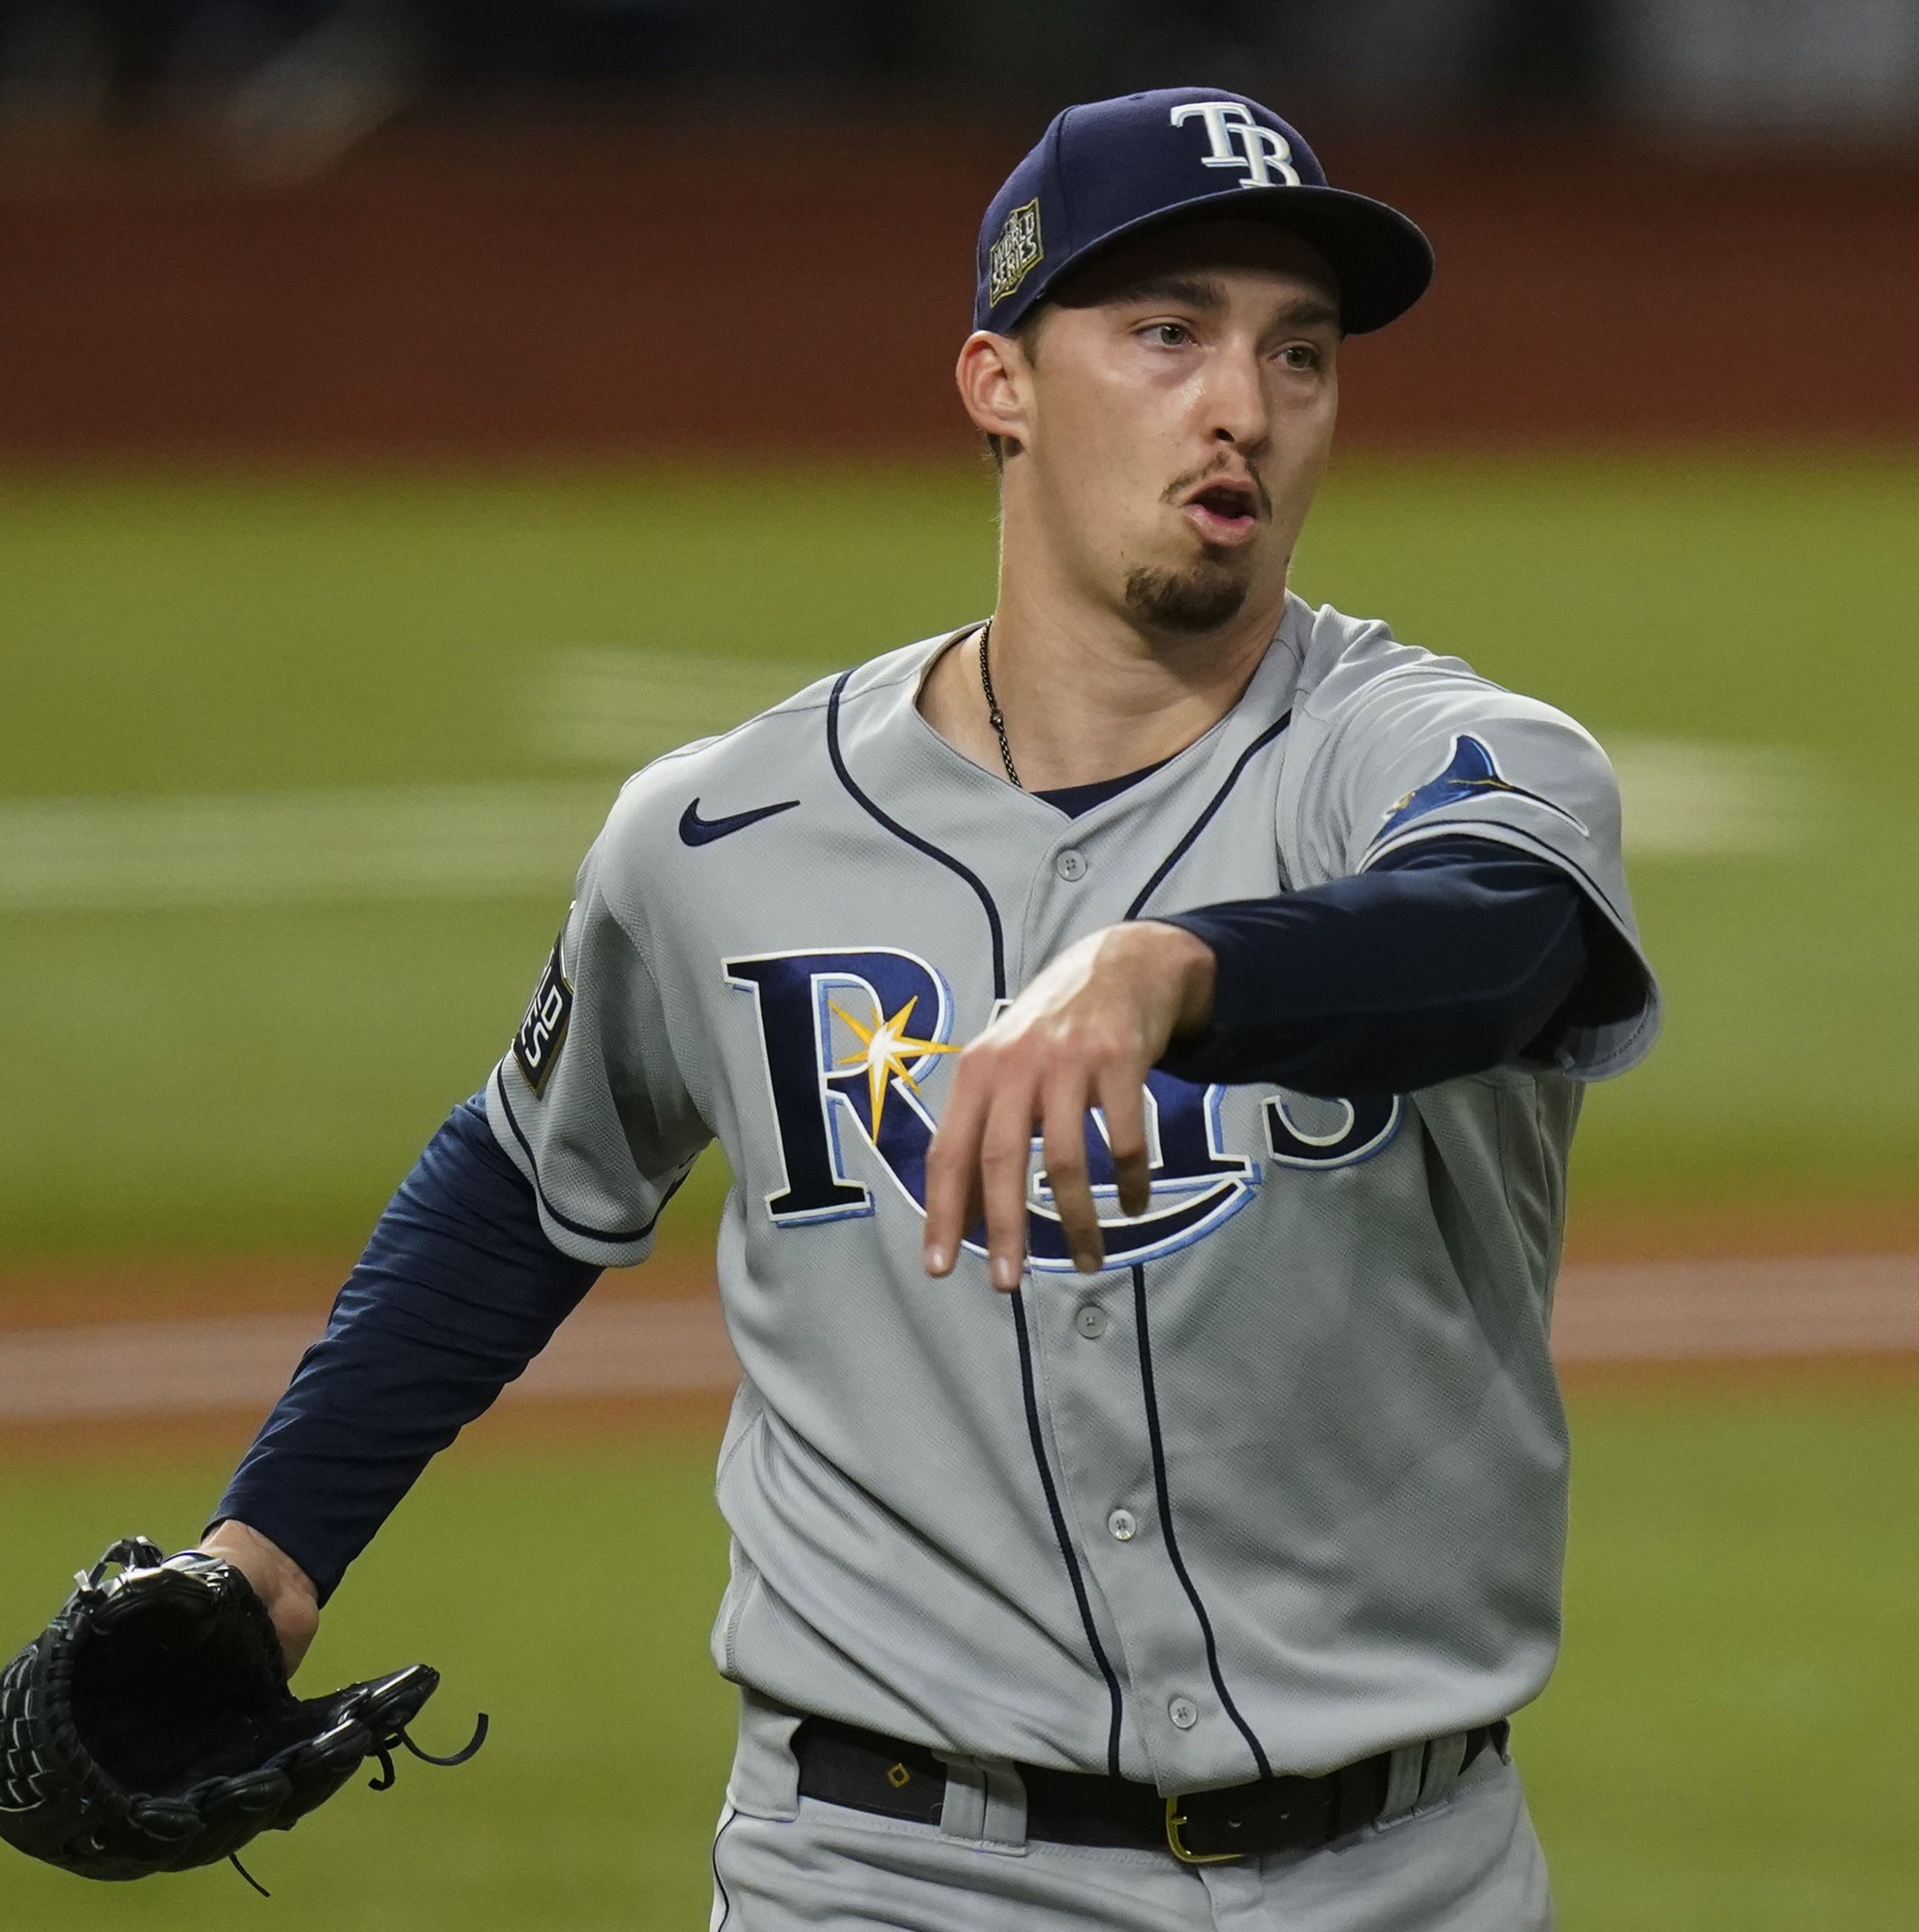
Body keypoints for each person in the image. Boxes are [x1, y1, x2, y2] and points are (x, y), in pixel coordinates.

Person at [200, 86, 1659, 1930]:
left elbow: (1505, 935)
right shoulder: (722, 834)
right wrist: (270, 1545)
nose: (1245, 406)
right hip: (883, 1876)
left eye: (1300, 353)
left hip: (1396, 1882)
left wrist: (1168, 970)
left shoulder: (1431, 757)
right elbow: (519, 1183)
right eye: (1165, 334)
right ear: (999, 384)